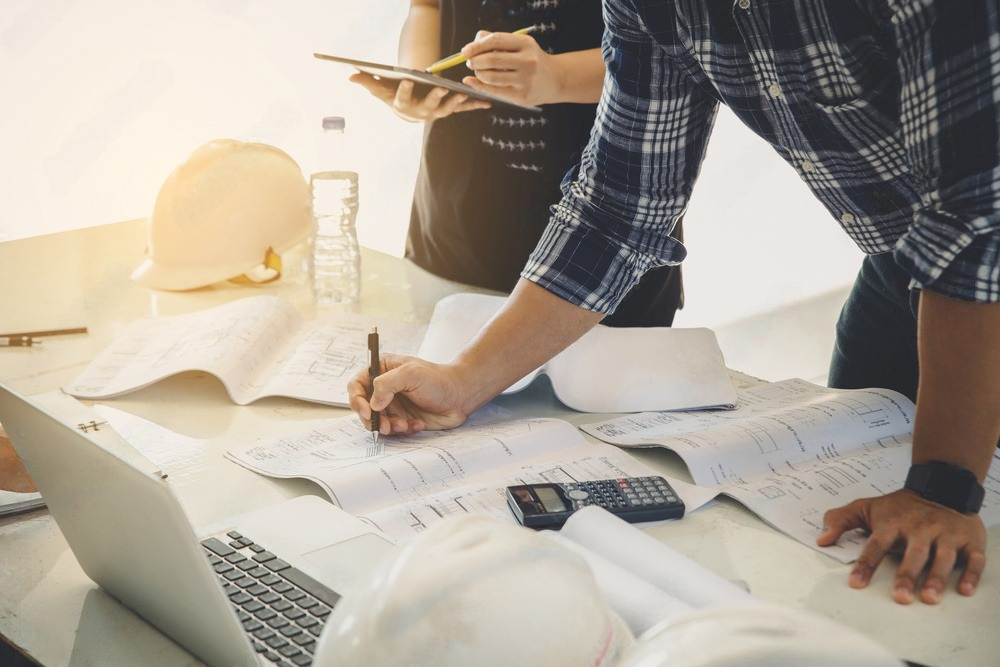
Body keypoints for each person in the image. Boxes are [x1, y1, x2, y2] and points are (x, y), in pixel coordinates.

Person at [349, 1, 1000, 606]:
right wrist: (464, 380)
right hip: (903, 264)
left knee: (957, 559)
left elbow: (977, 224)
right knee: (862, 570)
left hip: (976, 251)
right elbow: (619, 206)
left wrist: (942, 489)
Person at [350, 0, 683, 326]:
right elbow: (427, 5)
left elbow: (675, 50)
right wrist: (418, 79)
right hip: (454, 228)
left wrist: (560, 76)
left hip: (606, 232)